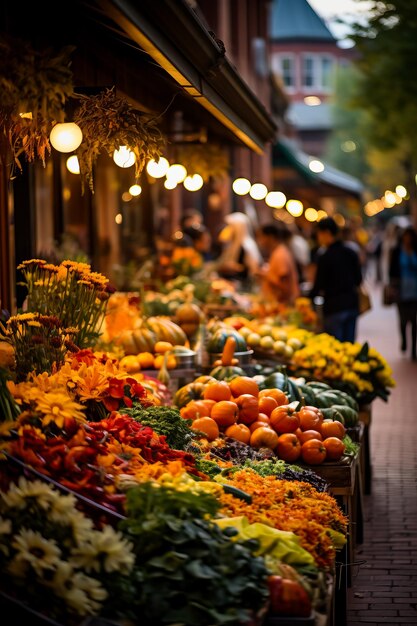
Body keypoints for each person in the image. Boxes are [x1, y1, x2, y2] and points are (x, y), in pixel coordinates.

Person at [310, 217, 362, 343]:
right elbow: (359, 279)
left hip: (333, 309)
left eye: (319, 234)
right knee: (349, 348)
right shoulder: (351, 252)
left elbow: (318, 285)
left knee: (336, 350)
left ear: (326, 233)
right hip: (351, 305)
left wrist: (308, 299)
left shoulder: (325, 257)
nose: (318, 238)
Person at [389, 226, 417, 361]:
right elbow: (391, 270)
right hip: (401, 289)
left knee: (414, 321)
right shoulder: (397, 251)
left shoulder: (415, 250)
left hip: (414, 290)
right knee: (403, 320)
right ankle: (404, 340)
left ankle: (414, 349)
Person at [256, 223, 300, 305]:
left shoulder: (280, 254)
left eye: (261, 236)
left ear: (270, 237)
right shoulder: (278, 251)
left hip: (284, 304)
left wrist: (265, 276)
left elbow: (284, 284)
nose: (260, 241)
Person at [216, 212, 263, 288]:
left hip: (243, 286)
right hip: (229, 284)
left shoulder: (247, 246)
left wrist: (238, 267)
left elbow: (253, 270)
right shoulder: (231, 244)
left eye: (232, 226)